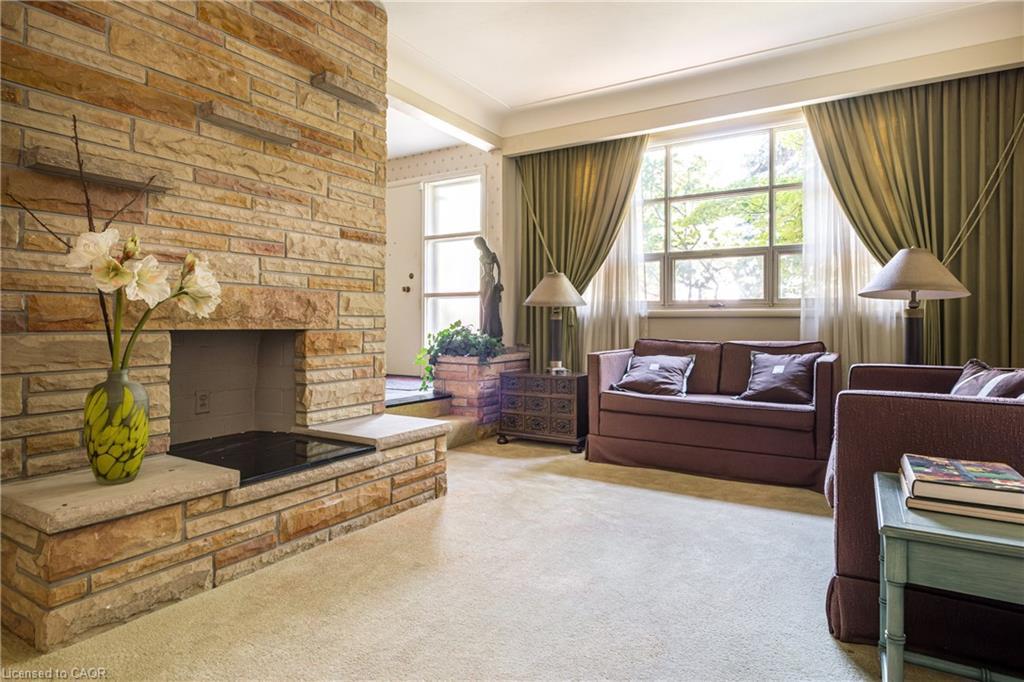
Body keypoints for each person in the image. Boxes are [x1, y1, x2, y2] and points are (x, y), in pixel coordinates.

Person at [474, 236, 503, 339]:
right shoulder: (481, 257)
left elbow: (499, 268)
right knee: (484, 305)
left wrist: (499, 282)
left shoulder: (492, 255)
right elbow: (482, 271)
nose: (477, 247)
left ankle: (486, 329)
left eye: (477, 245)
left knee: (487, 306)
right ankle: (485, 329)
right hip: (483, 280)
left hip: (491, 280)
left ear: (481, 244)